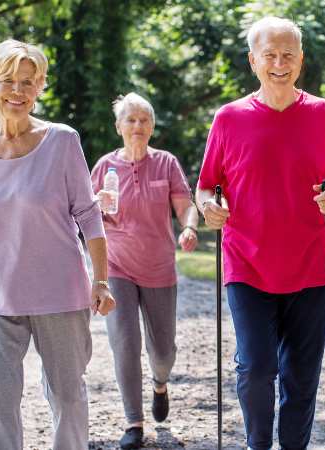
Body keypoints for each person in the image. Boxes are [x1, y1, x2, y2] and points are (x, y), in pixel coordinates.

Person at [196, 16, 325, 450]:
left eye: (288, 55)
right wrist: (209, 206)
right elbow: (206, 184)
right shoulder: (229, 118)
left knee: (302, 375)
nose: (280, 63)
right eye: (270, 55)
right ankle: (257, 444)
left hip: (311, 265)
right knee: (256, 366)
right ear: (254, 61)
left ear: (301, 60)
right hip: (247, 263)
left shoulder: (324, 115)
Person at [0, 39, 115, 450]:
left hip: (59, 292)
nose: (17, 92)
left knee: (66, 396)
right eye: (7, 81)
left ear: (40, 86)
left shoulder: (62, 141)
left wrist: (101, 281)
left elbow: (88, 214)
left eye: (28, 82)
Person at [90, 93, 200, 449]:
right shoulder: (105, 167)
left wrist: (189, 227)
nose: (138, 126)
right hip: (116, 265)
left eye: (144, 120)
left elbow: (186, 206)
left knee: (163, 350)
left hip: (158, 267)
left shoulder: (166, 163)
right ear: (119, 126)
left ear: (152, 126)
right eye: (131, 120)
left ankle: (160, 382)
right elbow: (85, 216)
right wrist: (96, 208)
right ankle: (133, 422)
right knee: (124, 342)